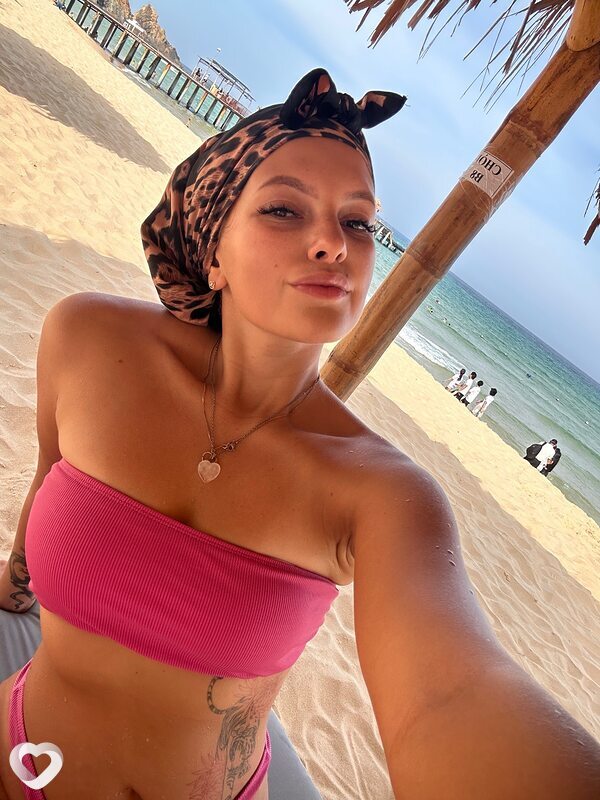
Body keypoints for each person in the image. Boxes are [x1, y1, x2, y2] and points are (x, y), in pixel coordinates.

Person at [0, 67, 598, 800]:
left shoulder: (381, 493)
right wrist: (14, 591)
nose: (332, 243)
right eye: (284, 210)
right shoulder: (90, 339)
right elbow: (47, 477)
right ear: (212, 251)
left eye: (358, 222)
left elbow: (451, 696)